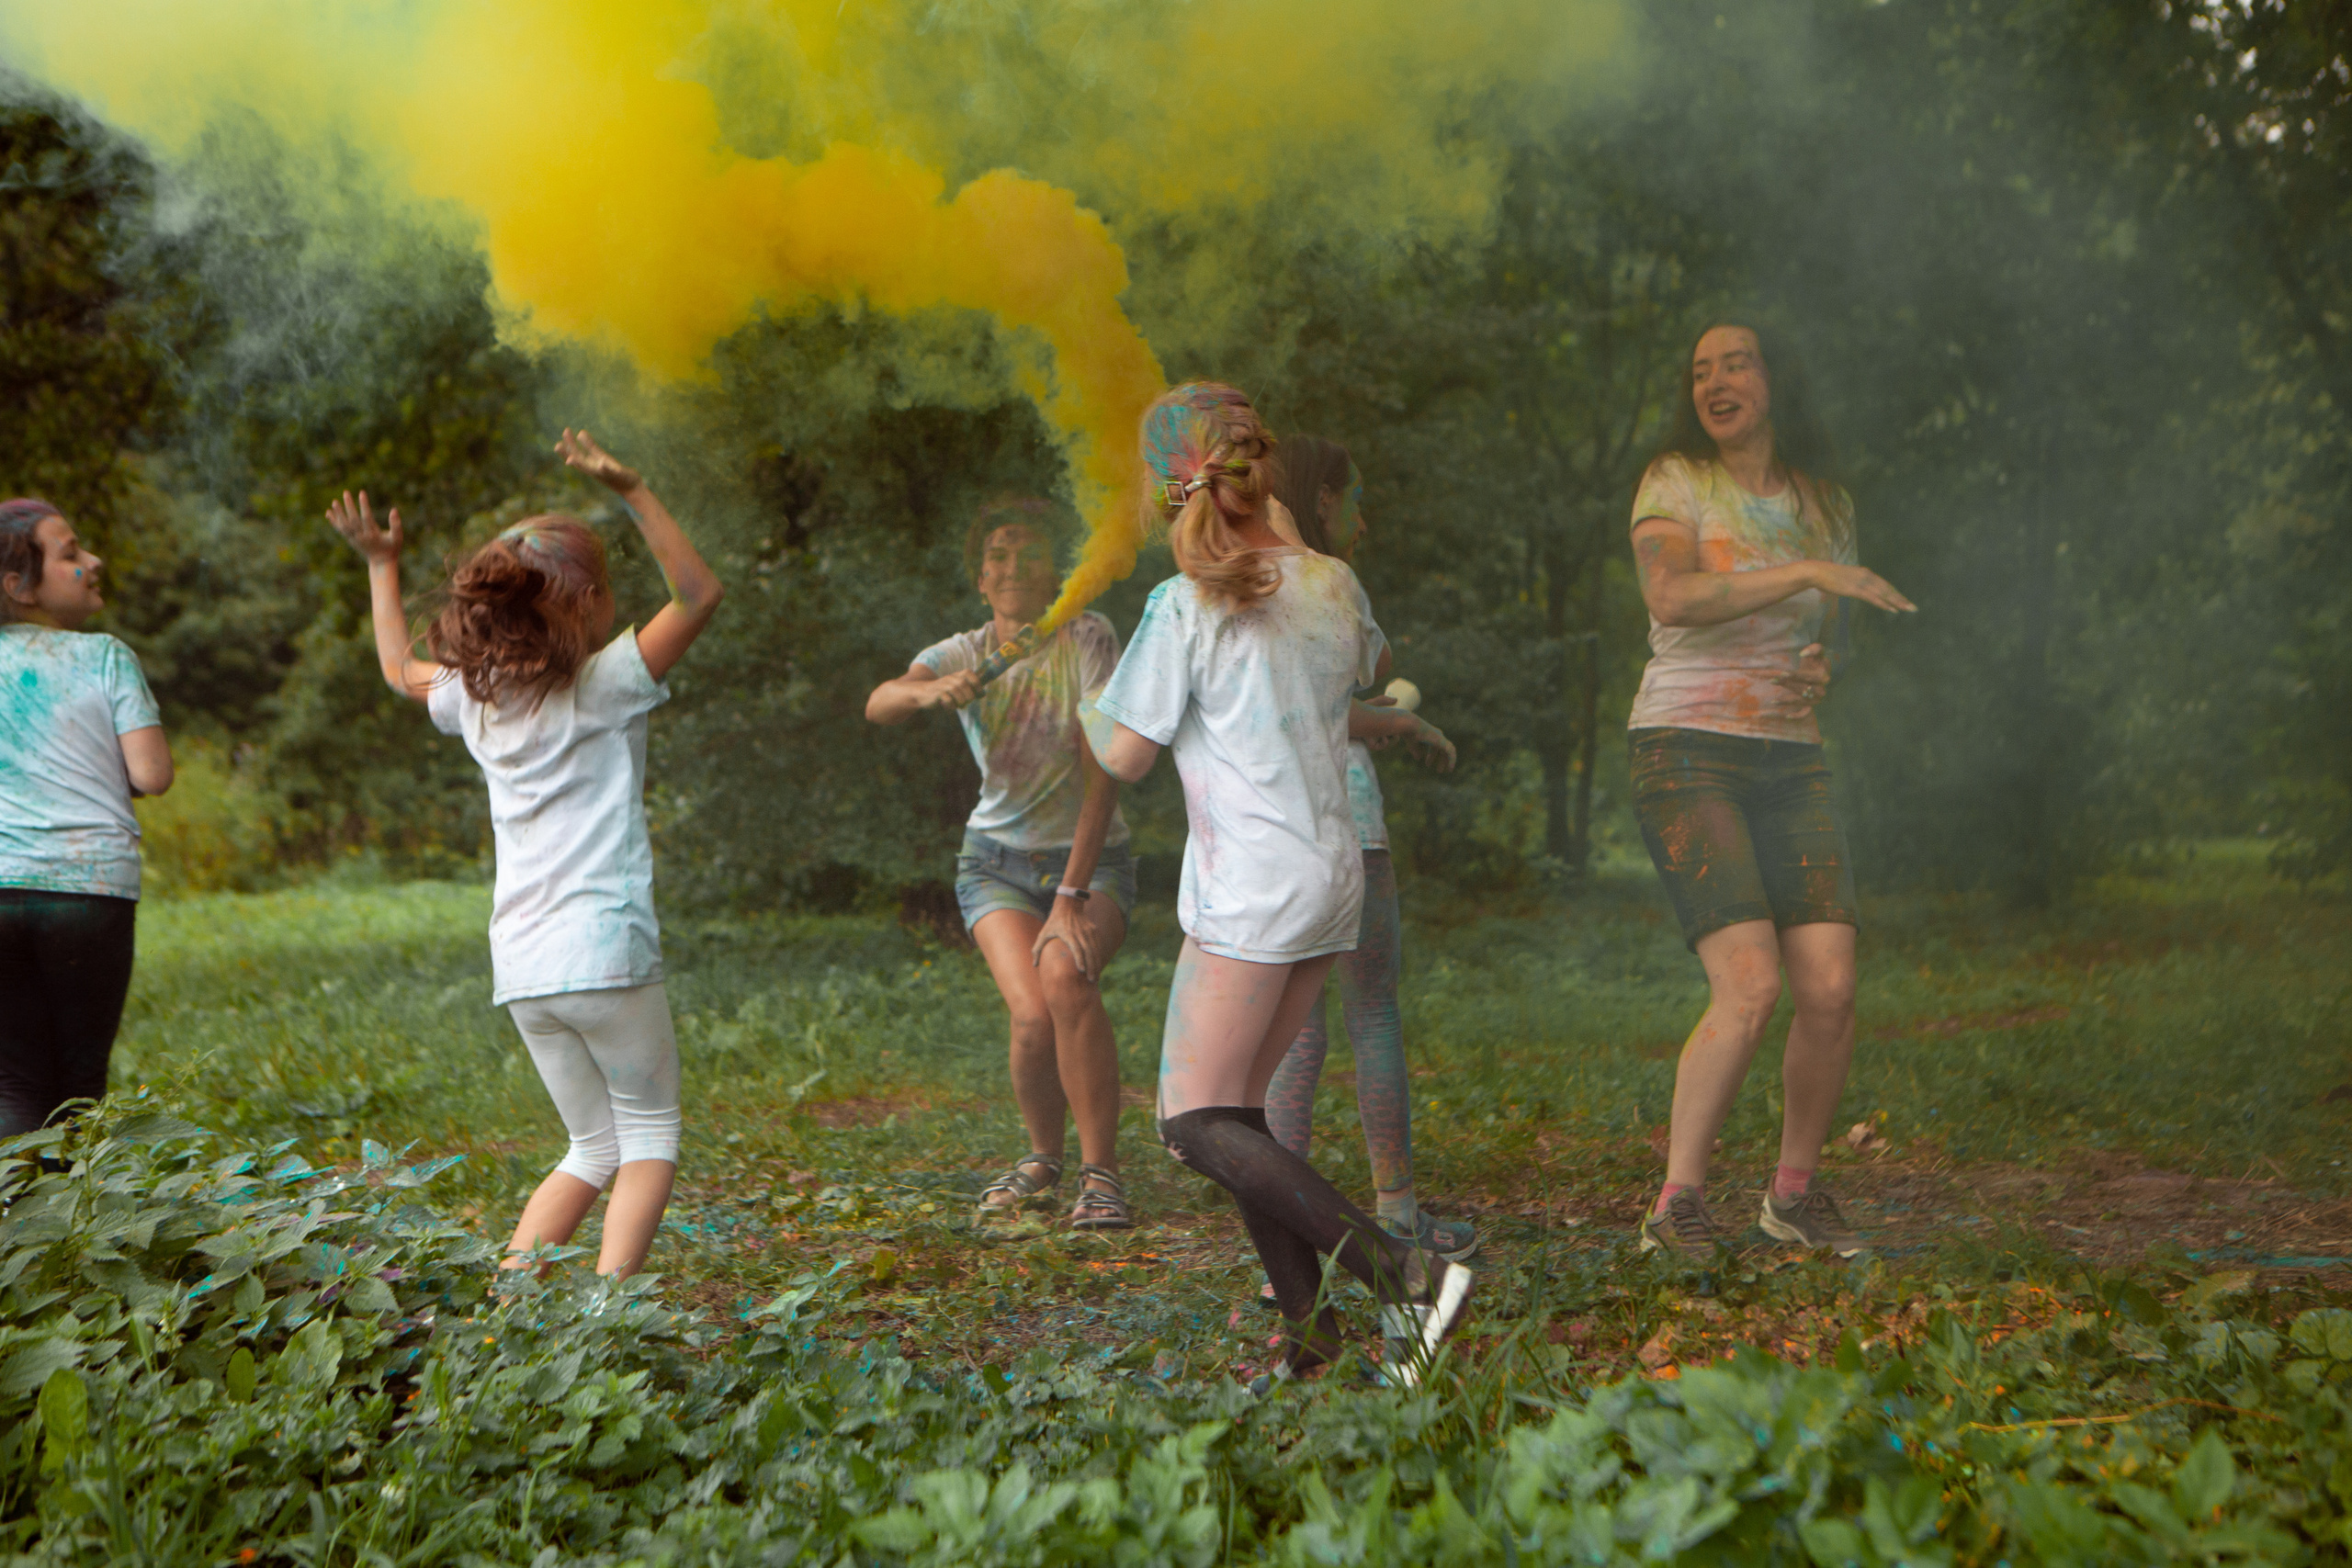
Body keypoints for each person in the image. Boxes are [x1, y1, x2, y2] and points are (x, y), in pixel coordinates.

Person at [1095, 382, 1472, 1387]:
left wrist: (1088, 696)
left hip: (1251, 890)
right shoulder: (1332, 583)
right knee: (1240, 1111)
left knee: (1189, 1125)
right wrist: (1296, 540)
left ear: (1168, 488)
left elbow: (1124, 754)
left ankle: (1409, 1277)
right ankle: (1313, 1344)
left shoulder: (1184, 603)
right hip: (1331, 875)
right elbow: (1372, 665)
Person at [325, 430, 722, 1278]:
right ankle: (607, 1312)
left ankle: (512, 1307)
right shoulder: (607, 681)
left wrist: (380, 564)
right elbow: (698, 593)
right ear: (588, 601)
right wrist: (634, 488)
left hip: (523, 963)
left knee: (591, 1144)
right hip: (604, 948)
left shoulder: (473, 696)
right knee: (650, 1133)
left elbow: (398, 667)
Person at [1625, 323, 1916, 1261]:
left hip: (1790, 757)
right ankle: (1675, 1206)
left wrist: (1827, 665)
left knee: (1829, 986)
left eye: (1734, 363)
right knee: (1749, 984)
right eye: (1699, 369)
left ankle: (1791, 1196)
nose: (1714, 381)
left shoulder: (1825, 503)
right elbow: (1672, 597)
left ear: (1775, 379)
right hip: (1684, 747)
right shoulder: (1676, 482)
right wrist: (1806, 569)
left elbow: (1832, 637)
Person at [865, 497, 1136, 1232]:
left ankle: (1102, 1175)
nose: (1014, 566)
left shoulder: (1087, 635)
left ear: (1058, 574)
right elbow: (880, 702)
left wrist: (1072, 894)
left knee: (1066, 978)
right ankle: (1044, 1158)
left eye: (1031, 553)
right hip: (994, 864)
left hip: (1091, 860)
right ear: (981, 578)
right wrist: (928, 690)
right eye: (999, 555)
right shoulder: (963, 650)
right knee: (1031, 1014)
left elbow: (1105, 774)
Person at [1259, 438, 1476, 1263]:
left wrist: (1386, 718)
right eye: (1355, 499)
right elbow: (1374, 671)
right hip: (1349, 826)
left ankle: (1286, 1229)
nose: (1364, 518)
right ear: (1321, 500)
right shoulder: (1333, 582)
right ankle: (1398, 1215)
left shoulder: (1239, 584)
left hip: (1274, 830)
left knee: (1295, 1032)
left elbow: (1308, 708)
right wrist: (1403, 718)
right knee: (1373, 1012)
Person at [0, 499, 174, 1138]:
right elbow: (152, 774)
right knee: (78, 1085)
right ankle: (76, 1204)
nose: (93, 561)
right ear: (19, 586)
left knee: (13, 1082)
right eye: (71, 553)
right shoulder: (106, 657)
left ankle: (14, 1203)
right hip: (88, 890)